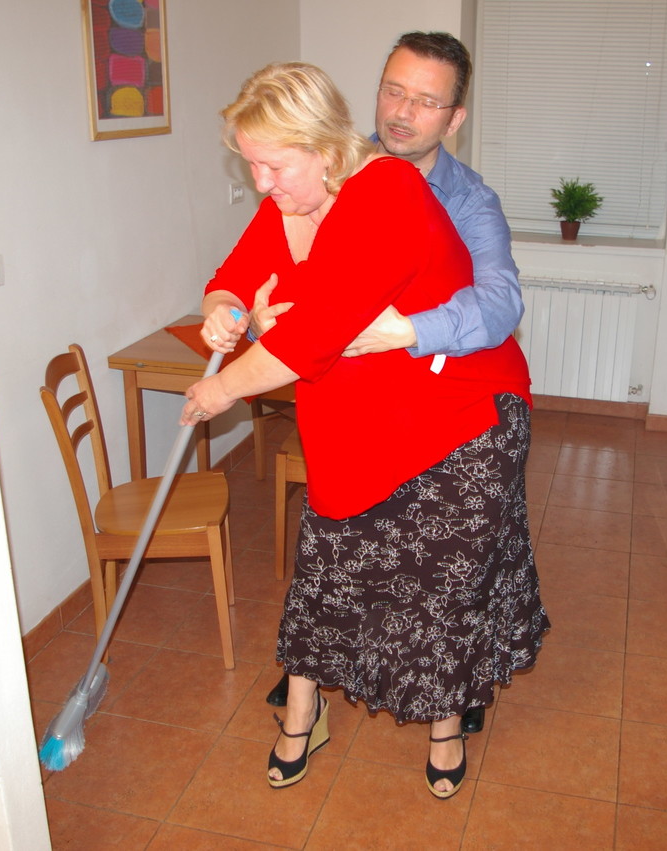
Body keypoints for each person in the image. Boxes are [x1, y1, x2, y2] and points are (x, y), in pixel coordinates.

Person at [182, 62, 548, 798]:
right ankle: (303, 712)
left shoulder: (387, 192)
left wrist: (218, 387)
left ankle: (446, 726)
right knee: (326, 576)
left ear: (322, 148)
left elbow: (308, 336)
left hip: (454, 416)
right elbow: (234, 276)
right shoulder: (292, 198)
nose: (260, 182)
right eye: (250, 164)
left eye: (273, 165)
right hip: (356, 418)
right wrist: (224, 311)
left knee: (441, 589)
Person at [257, 31, 521, 737]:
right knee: (338, 540)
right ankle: (324, 663)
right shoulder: (329, 170)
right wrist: (252, 319)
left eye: (427, 101)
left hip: (449, 400)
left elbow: (500, 305)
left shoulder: (470, 201)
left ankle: (451, 675)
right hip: (358, 406)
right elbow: (274, 284)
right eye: (393, 91)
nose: (403, 112)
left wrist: (409, 329)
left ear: (455, 118)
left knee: (445, 551)